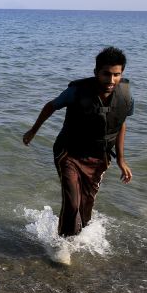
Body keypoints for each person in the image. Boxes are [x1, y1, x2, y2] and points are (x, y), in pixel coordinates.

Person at [23, 46, 134, 237]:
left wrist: (121, 159)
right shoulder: (77, 91)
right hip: (69, 152)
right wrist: (33, 131)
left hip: (99, 157)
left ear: (121, 73)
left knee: (85, 206)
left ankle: (80, 238)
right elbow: (51, 106)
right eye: (106, 74)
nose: (111, 80)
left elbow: (120, 124)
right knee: (73, 201)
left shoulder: (125, 96)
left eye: (116, 74)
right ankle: (63, 244)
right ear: (96, 72)